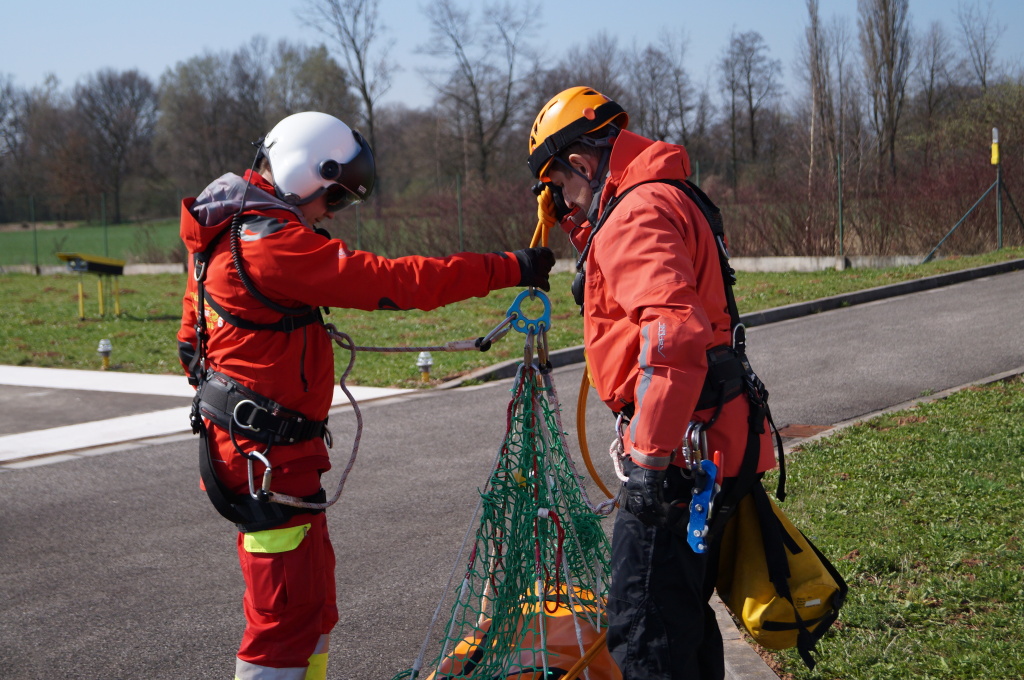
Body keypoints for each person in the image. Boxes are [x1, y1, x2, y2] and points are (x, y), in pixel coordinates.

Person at [177, 110, 554, 680]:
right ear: (305, 172)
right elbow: (395, 282)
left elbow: (191, 340)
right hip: (265, 459)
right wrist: (508, 267)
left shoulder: (227, 227)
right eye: (333, 198)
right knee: (282, 623)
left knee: (315, 609)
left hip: (266, 450)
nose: (331, 213)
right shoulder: (267, 244)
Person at [527, 87, 778, 679]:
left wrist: (648, 459)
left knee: (643, 633)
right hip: (716, 436)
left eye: (561, 184)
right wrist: (572, 218)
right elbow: (631, 278)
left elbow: (673, 334)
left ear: (583, 165)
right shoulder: (661, 196)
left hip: (682, 455)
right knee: (679, 614)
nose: (562, 197)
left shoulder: (635, 213)